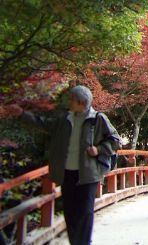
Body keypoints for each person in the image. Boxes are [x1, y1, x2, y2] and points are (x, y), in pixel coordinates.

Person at [21, 86, 120, 245]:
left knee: (85, 213)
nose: (69, 102)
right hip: (67, 173)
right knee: (70, 213)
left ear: (81, 102)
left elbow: (115, 141)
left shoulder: (97, 119)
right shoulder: (66, 119)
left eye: (72, 99)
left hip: (87, 175)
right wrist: (21, 114)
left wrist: (99, 149)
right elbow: (44, 124)